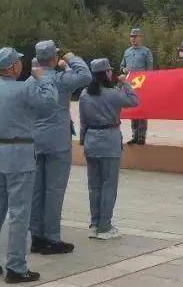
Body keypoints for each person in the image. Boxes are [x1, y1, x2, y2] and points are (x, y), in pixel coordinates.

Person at [0, 46, 58, 284]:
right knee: (19, 214)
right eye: (18, 62)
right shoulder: (24, 89)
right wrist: (43, 80)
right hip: (20, 153)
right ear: (13, 66)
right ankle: (16, 266)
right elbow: (50, 103)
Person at [30, 40, 91, 255]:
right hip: (57, 140)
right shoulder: (61, 79)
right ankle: (52, 237)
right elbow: (86, 76)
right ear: (54, 59)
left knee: (36, 191)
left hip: (35, 140)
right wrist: (72, 58)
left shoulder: (32, 79)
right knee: (54, 190)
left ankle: (36, 235)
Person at [79, 58, 139, 240]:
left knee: (94, 186)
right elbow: (134, 101)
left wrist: (83, 140)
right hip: (109, 140)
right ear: (106, 73)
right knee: (108, 185)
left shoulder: (84, 95)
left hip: (91, 140)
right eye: (110, 71)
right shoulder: (112, 94)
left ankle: (95, 223)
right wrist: (126, 83)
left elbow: (83, 121)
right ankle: (105, 226)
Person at [120, 28, 153, 145]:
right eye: (131, 36)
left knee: (142, 110)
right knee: (133, 109)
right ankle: (134, 134)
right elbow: (122, 66)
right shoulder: (127, 52)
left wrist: (148, 83)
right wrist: (124, 69)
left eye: (135, 36)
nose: (133, 39)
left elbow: (150, 70)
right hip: (130, 85)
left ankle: (141, 136)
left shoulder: (146, 52)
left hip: (142, 84)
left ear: (141, 37)